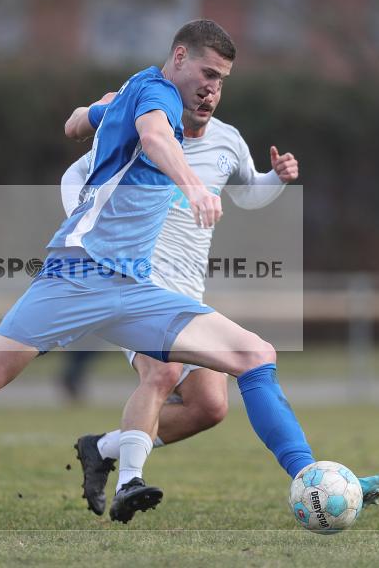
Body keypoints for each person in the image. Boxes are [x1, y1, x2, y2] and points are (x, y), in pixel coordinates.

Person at [0, 19, 379, 526]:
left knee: (254, 355)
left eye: (222, 80)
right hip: (76, 275)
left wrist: (87, 116)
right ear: (178, 58)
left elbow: (81, 122)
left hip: (136, 287)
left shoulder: (147, 99)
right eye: (207, 73)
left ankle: (309, 476)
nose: (213, 87)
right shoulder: (154, 94)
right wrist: (190, 183)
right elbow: (155, 136)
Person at [61, 84, 305, 515]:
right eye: (202, 82)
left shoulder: (228, 140)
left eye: (219, 83)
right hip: (135, 281)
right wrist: (85, 227)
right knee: (162, 370)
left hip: (189, 293)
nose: (208, 94)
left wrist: (276, 179)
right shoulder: (143, 129)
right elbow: (75, 175)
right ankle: (130, 482)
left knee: (208, 407)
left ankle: (102, 448)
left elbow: (247, 191)